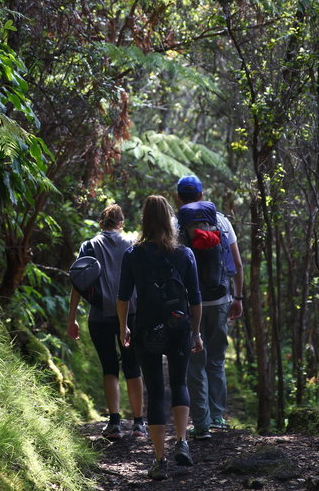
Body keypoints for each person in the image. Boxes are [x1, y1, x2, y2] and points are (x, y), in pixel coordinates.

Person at [117, 195, 203, 480]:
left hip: (146, 328)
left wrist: (123, 327)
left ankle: (159, 460)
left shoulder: (133, 254)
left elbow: (123, 296)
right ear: (169, 219)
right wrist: (196, 332)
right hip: (179, 327)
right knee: (179, 382)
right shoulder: (184, 254)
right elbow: (195, 299)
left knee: (155, 390)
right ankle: (182, 442)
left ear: (144, 220)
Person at [67, 204, 146, 439]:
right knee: (133, 368)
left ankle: (114, 423)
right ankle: (139, 424)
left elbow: (77, 282)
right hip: (131, 314)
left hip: (100, 316)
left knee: (109, 367)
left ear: (102, 223)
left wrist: (72, 318)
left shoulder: (89, 246)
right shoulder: (134, 244)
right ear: (121, 223)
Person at [175, 175, 244, 440]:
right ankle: (218, 418)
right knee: (216, 360)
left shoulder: (176, 224)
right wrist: (237, 297)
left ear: (179, 198)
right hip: (220, 299)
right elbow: (237, 264)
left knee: (195, 361)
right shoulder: (222, 221)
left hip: (191, 304)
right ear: (202, 195)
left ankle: (201, 424)